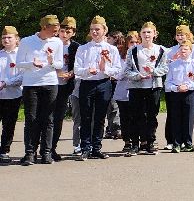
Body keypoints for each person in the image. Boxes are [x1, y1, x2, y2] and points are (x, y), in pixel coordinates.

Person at [73, 16, 125, 159]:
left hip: (103, 83)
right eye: (92, 30)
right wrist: (87, 71)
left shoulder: (111, 49)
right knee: (86, 116)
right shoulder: (83, 49)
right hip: (87, 84)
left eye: (97, 29)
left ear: (104, 31)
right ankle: (85, 147)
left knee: (100, 117)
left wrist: (105, 69)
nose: (94, 32)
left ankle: (96, 147)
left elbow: (117, 70)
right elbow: (77, 69)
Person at [18, 14, 65, 165]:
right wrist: (32, 63)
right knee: (31, 118)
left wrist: (52, 62)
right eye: (54, 30)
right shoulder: (27, 41)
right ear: (44, 27)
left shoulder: (57, 42)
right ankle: (30, 153)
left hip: (50, 83)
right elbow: (19, 63)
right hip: (31, 84)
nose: (56, 33)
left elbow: (59, 65)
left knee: (48, 118)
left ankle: (46, 152)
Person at [124, 22, 166, 155]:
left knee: (152, 115)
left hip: (153, 86)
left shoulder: (161, 50)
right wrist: (137, 76)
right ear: (140, 34)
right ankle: (135, 144)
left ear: (154, 34)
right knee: (136, 115)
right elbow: (127, 71)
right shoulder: (133, 50)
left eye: (149, 32)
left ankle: (150, 142)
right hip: (137, 87)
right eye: (144, 32)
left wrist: (153, 71)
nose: (146, 35)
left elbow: (164, 68)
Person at [163, 24, 194, 153]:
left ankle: (186, 142)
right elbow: (166, 66)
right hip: (175, 87)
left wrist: (188, 85)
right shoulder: (171, 50)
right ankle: (172, 141)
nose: (180, 37)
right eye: (178, 35)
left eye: (183, 35)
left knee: (188, 117)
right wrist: (173, 60)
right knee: (173, 115)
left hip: (188, 86)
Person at [52, 16, 77, 160]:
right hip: (51, 83)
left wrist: (70, 74)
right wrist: (57, 73)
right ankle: (44, 147)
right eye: (62, 31)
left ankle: (53, 147)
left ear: (73, 33)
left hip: (65, 85)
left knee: (58, 117)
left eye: (68, 32)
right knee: (46, 117)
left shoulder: (76, 47)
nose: (64, 34)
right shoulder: (52, 44)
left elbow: (78, 65)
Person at [0, 26, 23, 163]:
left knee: (9, 125)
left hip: (13, 95)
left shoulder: (20, 55)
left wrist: (6, 83)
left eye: (9, 37)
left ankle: (4, 151)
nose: (6, 40)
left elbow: (22, 76)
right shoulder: (0, 55)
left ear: (16, 39)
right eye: (4, 38)